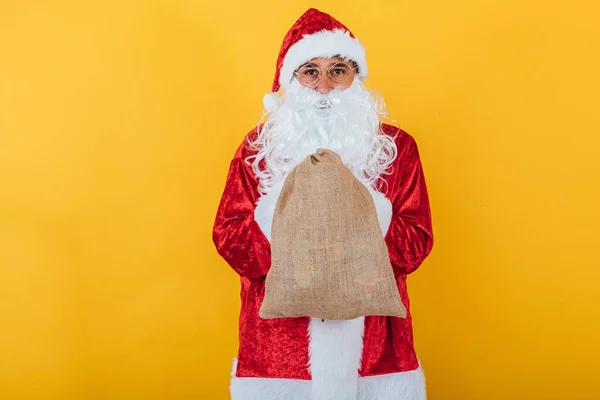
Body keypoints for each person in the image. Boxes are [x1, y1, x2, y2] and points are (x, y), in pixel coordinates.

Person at [213, 8, 434, 400]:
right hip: (282, 355)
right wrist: (281, 223)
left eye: (338, 70)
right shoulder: (258, 151)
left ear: (356, 78)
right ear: (292, 81)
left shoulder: (396, 149)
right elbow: (230, 237)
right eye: (310, 71)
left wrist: (366, 215)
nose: (325, 87)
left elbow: (416, 241)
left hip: (376, 353)